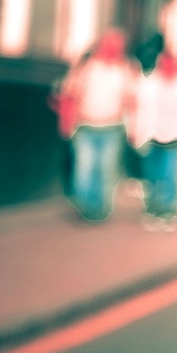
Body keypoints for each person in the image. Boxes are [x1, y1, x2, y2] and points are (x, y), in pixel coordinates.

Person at [60, 29, 138, 222]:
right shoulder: (86, 66)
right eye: (111, 46)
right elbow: (70, 94)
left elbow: (132, 100)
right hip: (86, 126)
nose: (115, 50)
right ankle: (85, 207)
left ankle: (100, 210)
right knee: (85, 167)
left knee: (106, 169)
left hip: (112, 127)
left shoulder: (126, 69)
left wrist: (134, 128)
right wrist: (66, 122)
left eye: (118, 47)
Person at [133, 49, 177, 229]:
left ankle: (169, 211)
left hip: (175, 138)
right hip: (152, 136)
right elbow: (138, 109)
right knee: (152, 176)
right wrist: (135, 130)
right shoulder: (148, 84)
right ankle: (152, 209)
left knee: (170, 175)